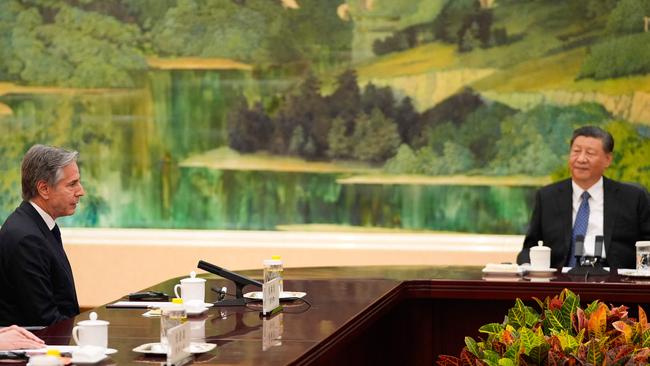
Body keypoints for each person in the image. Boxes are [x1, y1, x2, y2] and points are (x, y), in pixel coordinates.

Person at [517, 126, 650, 269]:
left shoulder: (633, 197)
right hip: (561, 281)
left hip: (615, 282)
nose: (581, 159)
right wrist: (527, 267)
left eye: (590, 153)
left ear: (607, 159)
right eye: (576, 151)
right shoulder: (547, 197)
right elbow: (529, 249)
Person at [0, 145, 84, 326]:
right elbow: (44, 318)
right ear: (44, 189)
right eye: (72, 184)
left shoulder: (37, 225)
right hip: (39, 350)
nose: (80, 191)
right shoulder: (26, 238)